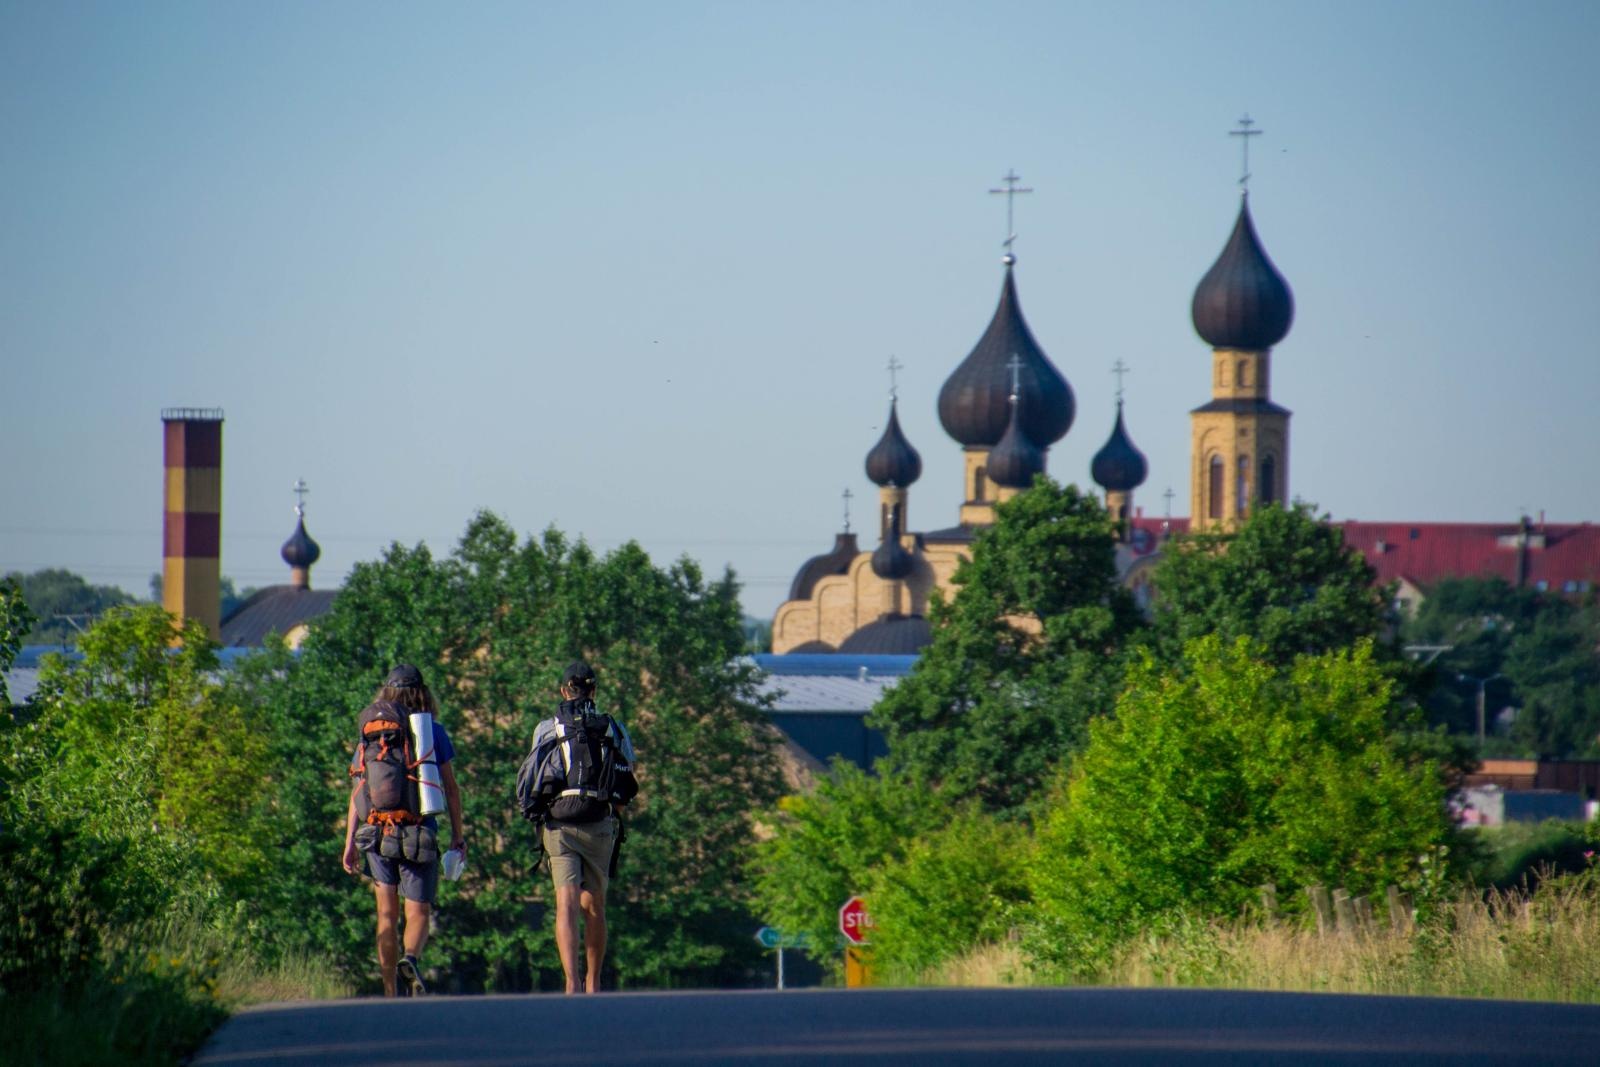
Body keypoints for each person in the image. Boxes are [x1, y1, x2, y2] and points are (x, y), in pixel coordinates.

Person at [342, 664, 465, 997]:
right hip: (418, 831)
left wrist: (349, 842)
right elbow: (450, 788)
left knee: (385, 913)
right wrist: (458, 835)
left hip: (375, 833)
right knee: (418, 911)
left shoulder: (371, 734)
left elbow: (359, 788)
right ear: (423, 693)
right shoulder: (432, 732)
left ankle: (389, 992)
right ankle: (409, 958)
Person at [527, 660, 638, 993]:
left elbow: (534, 778)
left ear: (563, 691)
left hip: (558, 826)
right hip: (599, 823)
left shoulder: (546, 728)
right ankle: (594, 980)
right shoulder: (613, 728)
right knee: (595, 904)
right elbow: (627, 777)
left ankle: (570, 981)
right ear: (594, 691)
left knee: (566, 902)